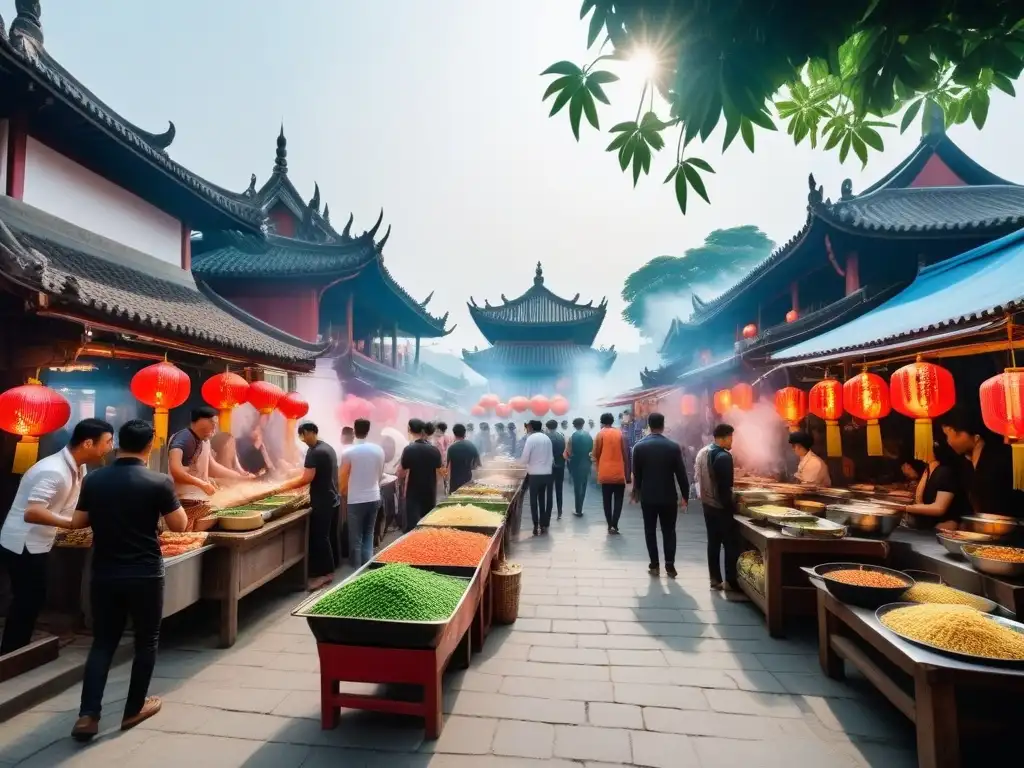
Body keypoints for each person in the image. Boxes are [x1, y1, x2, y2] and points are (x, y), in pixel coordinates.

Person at [70, 420, 188, 740]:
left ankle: (88, 715)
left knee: (103, 642)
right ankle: (133, 708)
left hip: (105, 572)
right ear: (150, 446)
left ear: (119, 442)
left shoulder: (94, 480)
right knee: (145, 641)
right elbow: (180, 524)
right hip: (145, 573)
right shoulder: (159, 481)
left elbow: (78, 521)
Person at [0, 419, 114, 656]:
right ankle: (11, 652)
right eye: (107, 441)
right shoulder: (53, 470)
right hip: (22, 541)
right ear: (88, 443)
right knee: (26, 599)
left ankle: (19, 649)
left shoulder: (78, 467)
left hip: (40, 540)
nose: (110, 447)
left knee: (34, 597)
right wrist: (71, 524)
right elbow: (33, 512)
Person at [631, 412, 690, 578]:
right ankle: (670, 565)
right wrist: (685, 495)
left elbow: (637, 474)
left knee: (650, 530)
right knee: (669, 531)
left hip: (648, 497)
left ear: (649, 425)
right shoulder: (673, 447)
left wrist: (636, 492)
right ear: (663, 426)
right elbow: (681, 474)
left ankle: (654, 564)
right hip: (668, 497)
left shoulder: (639, 447)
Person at [283, 423, 340, 590]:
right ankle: (330, 568)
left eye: (305, 434)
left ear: (314, 433)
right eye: (300, 434)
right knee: (326, 536)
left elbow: (306, 478)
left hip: (322, 501)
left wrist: (284, 486)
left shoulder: (316, 452)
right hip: (331, 498)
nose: (303, 437)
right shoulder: (326, 447)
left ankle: (325, 574)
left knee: (320, 537)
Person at [941, 406, 1024, 519]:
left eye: (949, 434)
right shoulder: (966, 463)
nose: (949, 441)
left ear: (973, 435)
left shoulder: (1000, 458)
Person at [694, 424, 745, 596]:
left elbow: (697, 478)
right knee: (730, 543)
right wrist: (732, 506)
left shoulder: (703, 451)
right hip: (720, 506)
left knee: (713, 542)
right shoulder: (724, 456)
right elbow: (725, 487)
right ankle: (731, 581)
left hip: (707, 504)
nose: (732, 441)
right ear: (723, 437)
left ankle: (715, 578)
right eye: (731, 437)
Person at [168, 407, 247, 504]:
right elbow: (176, 471)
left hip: (201, 497)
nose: (214, 427)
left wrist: (240, 477)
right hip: (185, 498)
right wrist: (202, 484)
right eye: (212, 422)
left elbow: (212, 467)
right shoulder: (183, 438)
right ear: (199, 421)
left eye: (215, 424)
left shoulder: (205, 442)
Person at [341, 419, 385, 568]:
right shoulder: (378, 450)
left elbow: (342, 478)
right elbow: (380, 475)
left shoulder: (348, 452)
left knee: (356, 538)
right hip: (374, 496)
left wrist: (343, 493)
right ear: (368, 430)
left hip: (356, 500)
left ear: (354, 431)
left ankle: (356, 571)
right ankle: (367, 568)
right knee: (369, 534)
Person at [903, 440, 968, 530]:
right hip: (927, 524)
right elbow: (920, 500)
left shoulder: (944, 472)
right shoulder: (928, 469)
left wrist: (903, 508)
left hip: (944, 526)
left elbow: (939, 508)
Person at [399, 418, 443, 531]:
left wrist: (400, 484)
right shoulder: (434, 450)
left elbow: (401, 473)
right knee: (427, 523)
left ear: (410, 430)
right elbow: (440, 472)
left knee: (413, 525)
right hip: (430, 491)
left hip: (413, 492)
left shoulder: (409, 449)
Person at [593, 412, 630, 534]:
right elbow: (625, 454)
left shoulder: (600, 434)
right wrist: (627, 474)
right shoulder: (620, 434)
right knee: (618, 500)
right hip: (619, 473)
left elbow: (595, 453)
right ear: (612, 421)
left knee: (607, 501)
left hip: (605, 474)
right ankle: (615, 523)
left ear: (602, 422)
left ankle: (609, 524)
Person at [521, 420, 554, 535]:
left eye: (528, 427)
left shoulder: (531, 439)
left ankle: (535, 526)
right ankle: (544, 524)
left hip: (534, 474)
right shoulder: (547, 439)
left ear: (531, 427)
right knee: (542, 499)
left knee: (533, 501)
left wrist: (522, 464)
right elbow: (551, 457)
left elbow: (525, 458)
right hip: (547, 473)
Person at [564, 417, 594, 517]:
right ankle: (580, 507)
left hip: (576, 464)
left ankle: (578, 509)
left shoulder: (572, 437)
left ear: (574, 425)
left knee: (577, 487)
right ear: (583, 424)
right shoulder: (589, 436)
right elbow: (592, 450)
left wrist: (568, 459)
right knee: (584, 486)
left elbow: (568, 452)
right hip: (587, 463)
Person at [545, 419, 567, 521]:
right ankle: (559, 511)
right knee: (559, 489)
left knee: (549, 490)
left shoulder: (546, 437)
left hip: (550, 467)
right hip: (560, 465)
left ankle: (548, 513)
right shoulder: (561, 436)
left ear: (547, 427)